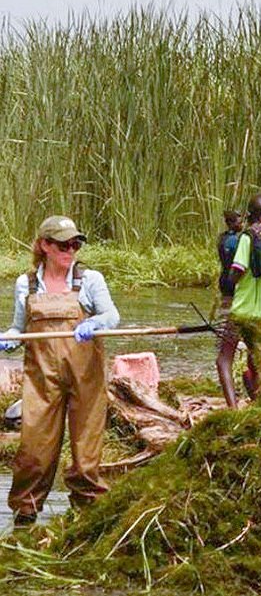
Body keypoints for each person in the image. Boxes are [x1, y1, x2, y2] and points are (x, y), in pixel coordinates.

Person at [0, 215, 119, 526]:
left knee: (85, 454)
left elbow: (111, 315)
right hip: (41, 381)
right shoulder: (26, 284)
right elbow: (18, 328)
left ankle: (87, 516)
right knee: (33, 453)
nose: (71, 250)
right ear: (45, 246)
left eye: (75, 244)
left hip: (86, 379)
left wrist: (95, 323)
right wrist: (7, 340)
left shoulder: (90, 280)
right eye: (64, 244)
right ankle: (24, 517)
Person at [216, 194, 261, 408]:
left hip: (242, 310)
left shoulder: (246, 238)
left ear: (248, 215)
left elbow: (236, 274)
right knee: (254, 359)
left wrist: (228, 280)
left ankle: (233, 410)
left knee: (223, 360)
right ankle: (259, 402)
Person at [217, 210, 243, 306]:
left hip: (223, 276)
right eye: (239, 223)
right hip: (232, 277)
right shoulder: (234, 240)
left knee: (225, 304)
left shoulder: (222, 237)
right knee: (231, 305)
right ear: (231, 223)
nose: (242, 225)